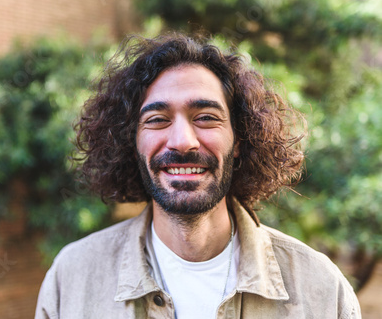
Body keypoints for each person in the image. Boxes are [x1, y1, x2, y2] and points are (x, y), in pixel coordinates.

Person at [35, 33, 361, 318]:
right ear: (130, 142)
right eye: (157, 119)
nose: (182, 141)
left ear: (239, 139)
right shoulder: (71, 280)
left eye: (205, 117)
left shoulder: (322, 290)